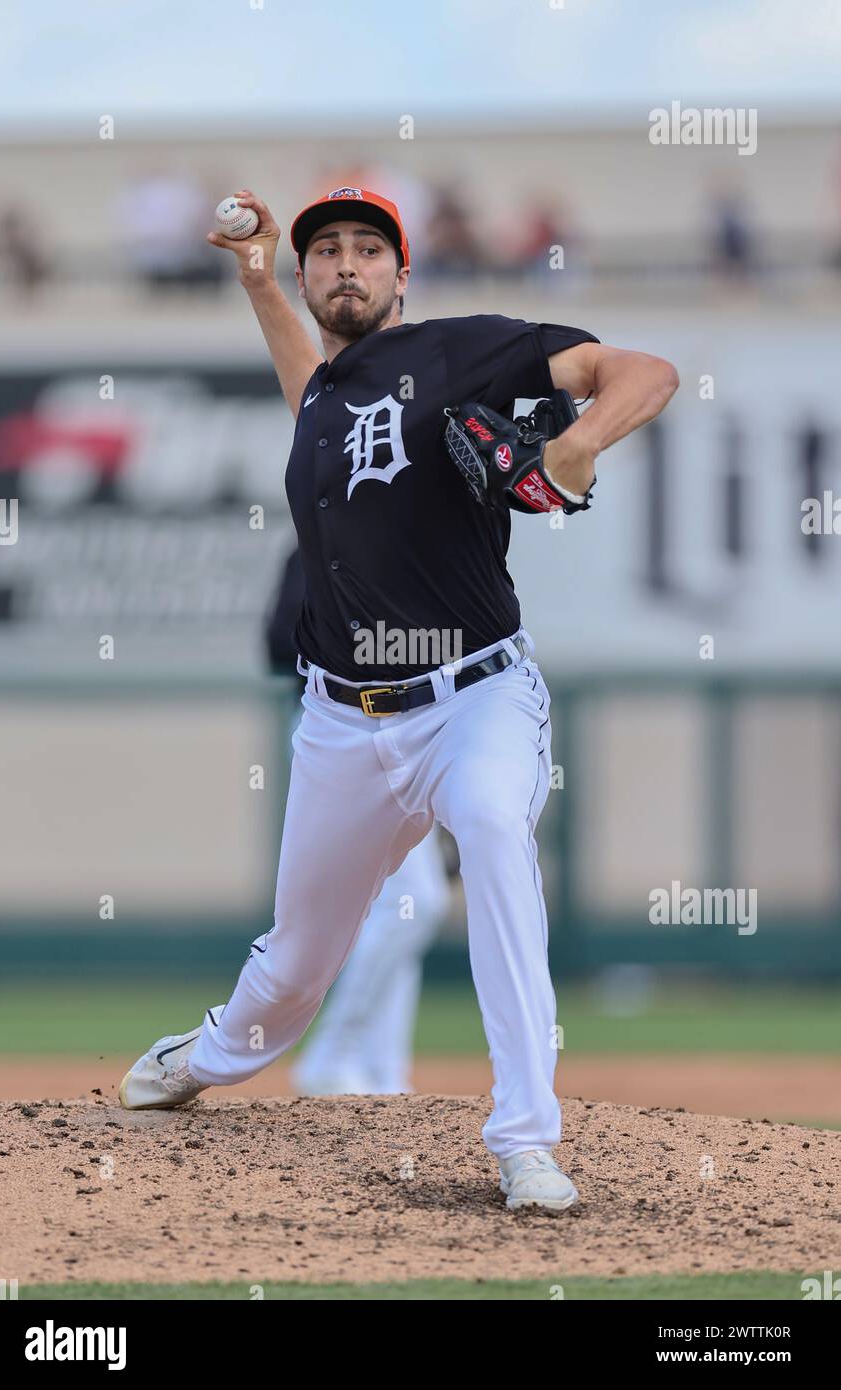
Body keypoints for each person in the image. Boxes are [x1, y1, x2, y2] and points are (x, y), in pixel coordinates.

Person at [120, 185, 679, 1213]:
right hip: (340, 723)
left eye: (366, 249)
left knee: (492, 836)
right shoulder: (329, 404)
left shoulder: (461, 350)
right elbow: (311, 394)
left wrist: (581, 437)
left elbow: (644, 370)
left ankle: (523, 1137)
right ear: (307, 277)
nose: (345, 263)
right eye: (324, 249)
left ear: (398, 274)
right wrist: (255, 287)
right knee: (293, 967)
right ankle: (201, 1057)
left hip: (475, 696)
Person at [265, 544, 451, 1096]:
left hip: (420, 729)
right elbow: (276, 644)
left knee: (403, 910)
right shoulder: (322, 542)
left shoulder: (432, 547)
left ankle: (382, 1076)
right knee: (416, 906)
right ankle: (331, 1056)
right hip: (343, 726)